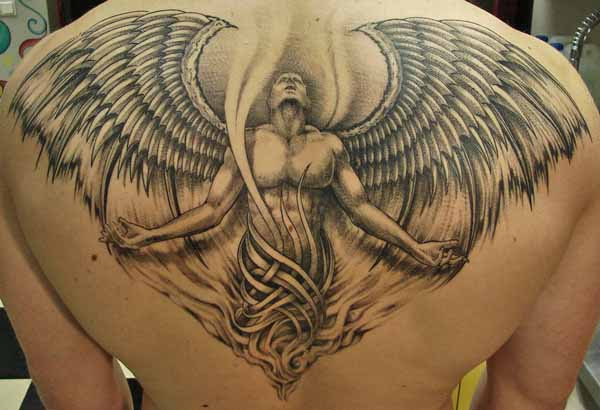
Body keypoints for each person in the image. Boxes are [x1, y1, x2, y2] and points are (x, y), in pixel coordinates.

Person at [0, 1, 599, 409]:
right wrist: (150, 236)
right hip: (261, 260)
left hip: (311, 258)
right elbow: (528, 398)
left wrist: (417, 247)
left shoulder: (33, 92)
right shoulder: (558, 97)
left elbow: (81, 402)